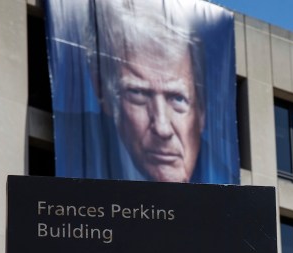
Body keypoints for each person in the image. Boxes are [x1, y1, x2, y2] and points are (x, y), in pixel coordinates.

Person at [87, 0, 205, 183]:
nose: (162, 128)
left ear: (201, 113)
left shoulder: (231, 198)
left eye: (177, 98)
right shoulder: (79, 153)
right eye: (138, 94)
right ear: (103, 93)